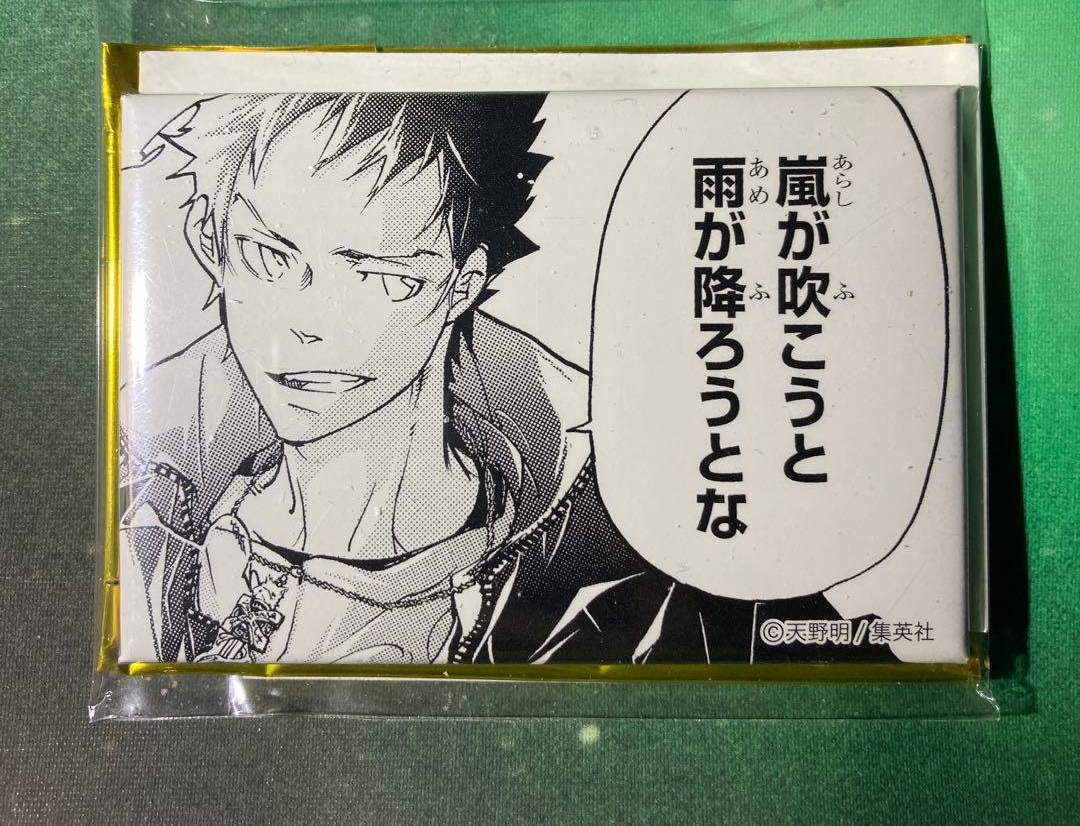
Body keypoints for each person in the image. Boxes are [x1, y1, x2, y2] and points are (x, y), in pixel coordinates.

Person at [120, 92, 883, 666]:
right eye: (268, 257)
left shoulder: (654, 565)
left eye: (381, 277)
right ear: (209, 243)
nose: (307, 324)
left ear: (464, 284)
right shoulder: (141, 503)